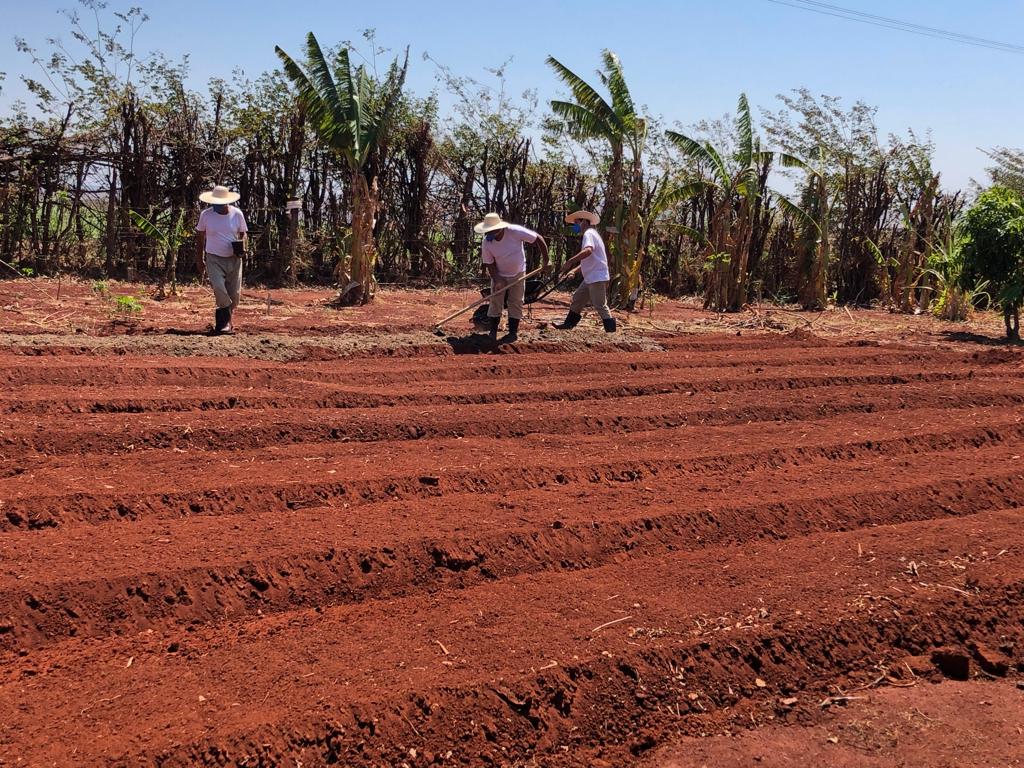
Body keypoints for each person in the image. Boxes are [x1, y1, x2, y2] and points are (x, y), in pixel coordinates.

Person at [475, 212, 549, 342]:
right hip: (499, 273)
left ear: (499, 227)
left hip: (518, 272)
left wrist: (546, 260)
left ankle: (513, 332)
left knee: (516, 301)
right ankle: (493, 332)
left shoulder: (515, 231)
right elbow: (489, 263)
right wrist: (497, 279)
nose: (490, 233)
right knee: (496, 301)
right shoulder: (487, 243)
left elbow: (538, 238)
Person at [195, 185, 248, 335]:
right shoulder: (206, 215)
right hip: (213, 257)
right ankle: (225, 323)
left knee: (234, 295)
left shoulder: (237, 214)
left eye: (219, 203)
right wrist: (200, 260)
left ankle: (224, 322)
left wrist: (242, 245)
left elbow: (243, 233)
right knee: (219, 288)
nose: (216, 206)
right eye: (214, 203)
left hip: (234, 258)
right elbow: (200, 237)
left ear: (226, 202)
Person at [556, 210, 616, 332]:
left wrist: (570, 261)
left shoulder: (589, 233)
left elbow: (588, 251)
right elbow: (589, 259)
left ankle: (611, 332)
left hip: (596, 276)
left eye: (576, 222)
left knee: (600, 305)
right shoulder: (592, 234)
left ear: (583, 221)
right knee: (578, 298)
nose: (575, 226)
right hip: (591, 276)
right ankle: (568, 325)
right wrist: (573, 271)